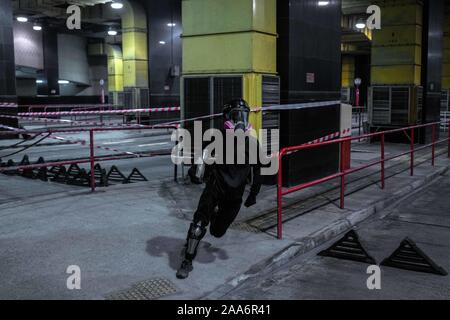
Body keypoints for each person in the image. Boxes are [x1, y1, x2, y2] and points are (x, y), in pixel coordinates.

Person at [176, 99, 262, 279]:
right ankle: (187, 260)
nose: (240, 121)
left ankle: (212, 219)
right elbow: (201, 160)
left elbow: (258, 170)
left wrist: (254, 193)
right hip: (215, 189)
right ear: (227, 118)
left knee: (217, 232)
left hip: (235, 196)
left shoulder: (252, 144)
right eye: (236, 116)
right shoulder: (218, 139)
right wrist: (196, 172)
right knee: (199, 225)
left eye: (243, 116)